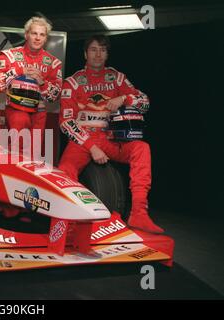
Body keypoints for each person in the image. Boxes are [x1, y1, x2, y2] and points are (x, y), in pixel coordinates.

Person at [58, 35, 164, 234]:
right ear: (85, 53)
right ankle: (67, 222)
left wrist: (125, 98)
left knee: (142, 148)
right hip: (83, 140)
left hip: (111, 138)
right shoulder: (72, 82)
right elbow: (65, 122)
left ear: (107, 54)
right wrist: (92, 147)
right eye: (93, 49)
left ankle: (138, 214)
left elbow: (145, 102)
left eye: (103, 50)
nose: (98, 54)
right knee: (64, 170)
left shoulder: (116, 77)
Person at [0, 16, 62, 154]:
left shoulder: (53, 63)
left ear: (46, 38)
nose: (37, 38)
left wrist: (42, 82)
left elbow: (54, 96)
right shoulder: (9, 56)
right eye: (34, 33)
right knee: (17, 152)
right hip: (16, 110)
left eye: (42, 34)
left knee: (33, 156)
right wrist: (19, 71)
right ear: (26, 34)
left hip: (39, 114)